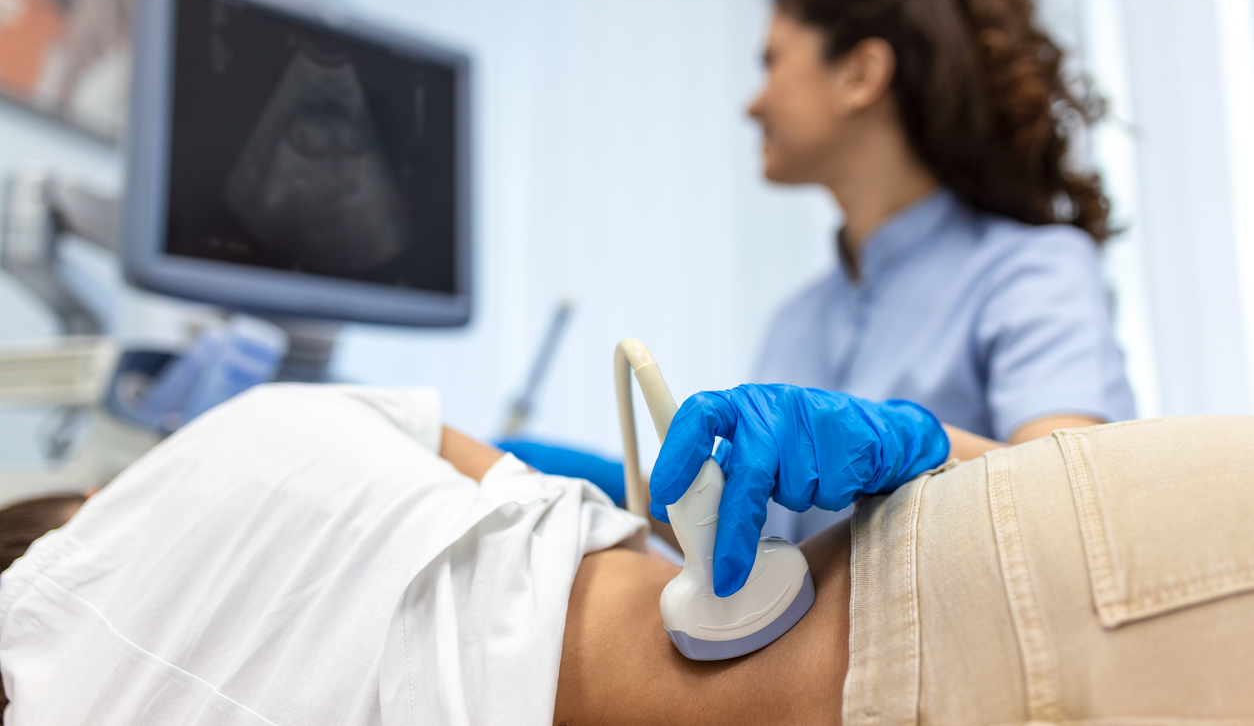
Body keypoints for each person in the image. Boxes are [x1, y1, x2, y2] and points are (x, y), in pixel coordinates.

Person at [1, 383, 1253, 725]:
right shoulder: (257, 428)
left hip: (982, 623)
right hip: (987, 564)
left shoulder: (70, 630)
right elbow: (603, 514)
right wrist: (926, 446)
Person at [747, 0, 1136, 541]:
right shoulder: (791, 328)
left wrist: (916, 446)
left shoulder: (1030, 272)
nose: (753, 102)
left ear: (860, 74)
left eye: (772, 63)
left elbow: (1074, 501)